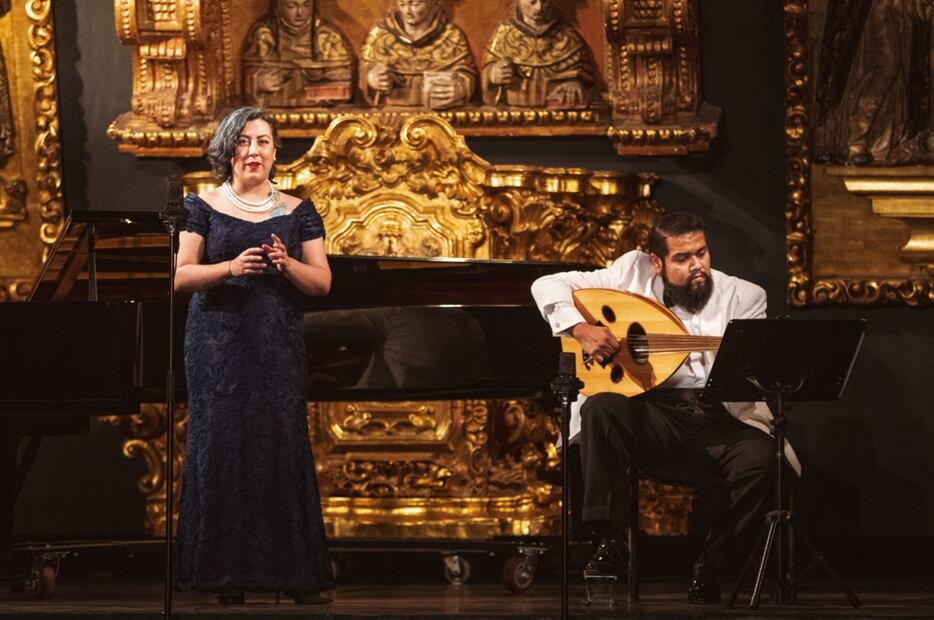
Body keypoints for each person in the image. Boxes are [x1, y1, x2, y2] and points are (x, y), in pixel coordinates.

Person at [530, 211, 800, 603]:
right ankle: (609, 543)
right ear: (655, 262)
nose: (698, 267)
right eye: (683, 258)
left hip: (718, 416)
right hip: (652, 413)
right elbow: (546, 284)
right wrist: (580, 329)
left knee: (761, 459)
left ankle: (713, 562)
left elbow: (749, 377)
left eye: (702, 253)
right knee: (600, 408)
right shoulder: (627, 273)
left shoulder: (745, 296)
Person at [173, 106, 334, 604]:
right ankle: (227, 576)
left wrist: (286, 264)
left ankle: (295, 574)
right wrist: (229, 266)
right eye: (243, 141)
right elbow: (181, 276)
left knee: (280, 444)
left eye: (263, 142)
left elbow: (323, 282)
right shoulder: (199, 206)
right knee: (222, 446)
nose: (253, 151)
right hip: (217, 342)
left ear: (274, 151)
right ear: (228, 149)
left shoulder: (299, 210)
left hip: (275, 342)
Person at [361, 0, 477, 109]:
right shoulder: (380, 35)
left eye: (415, 4)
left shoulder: (451, 36)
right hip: (390, 114)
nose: (408, 11)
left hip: (440, 117)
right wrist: (372, 78)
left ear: (431, 2)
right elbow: (365, 68)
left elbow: (466, 72)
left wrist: (461, 89)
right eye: (402, 3)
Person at [481, 0, 595, 108]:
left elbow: (587, 77)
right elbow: (488, 71)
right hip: (513, 116)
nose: (539, 8)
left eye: (544, 1)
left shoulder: (567, 37)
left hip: (558, 119)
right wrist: (493, 74)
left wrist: (576, 82)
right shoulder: (503, 36)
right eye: (532, 1)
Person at [242, 0, 354, 107]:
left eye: (306, 5)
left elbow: (345, 79)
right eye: (291, 6)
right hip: (275, 112)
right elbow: (247, 74)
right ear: (279, 6)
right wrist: (258, 81)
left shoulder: (328, 36)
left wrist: (336, 81)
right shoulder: (265, 35)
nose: (300, 13)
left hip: (321, 114)